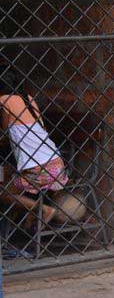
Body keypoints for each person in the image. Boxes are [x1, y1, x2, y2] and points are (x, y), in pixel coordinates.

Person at [0, 66, 68, 225]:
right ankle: (28, 216)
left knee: (3, 192)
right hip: (56, 164)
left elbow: (3, 132)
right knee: (6, 171)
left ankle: (41, 209)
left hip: (39, 170)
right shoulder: (28, 98)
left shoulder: (3, 101)